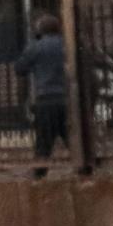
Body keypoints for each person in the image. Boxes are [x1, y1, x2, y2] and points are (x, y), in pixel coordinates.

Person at [19, 11, 70, 158]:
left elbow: (20, 68)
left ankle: (39, 172)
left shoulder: (36, 47)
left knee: (44, 140)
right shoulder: (67, 44)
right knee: (72, 137)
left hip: (45, 98)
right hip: (67, 98)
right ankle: (85, 169)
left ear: (39, 30)